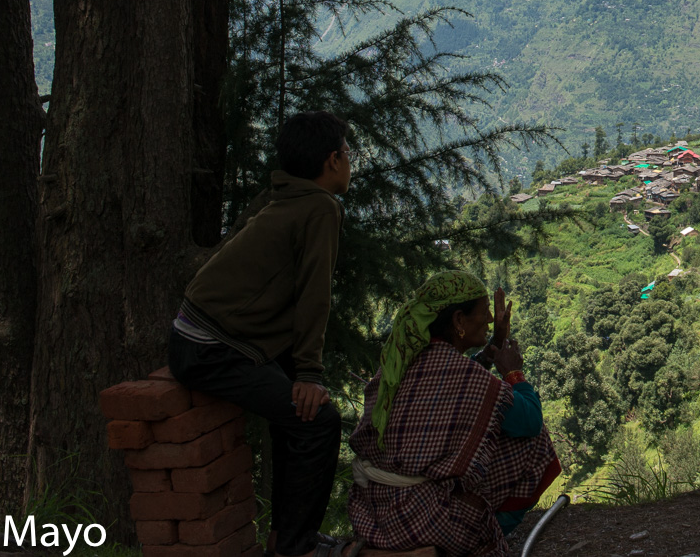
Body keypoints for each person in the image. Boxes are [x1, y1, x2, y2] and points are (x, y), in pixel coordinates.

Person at [168, 111, 351, 557]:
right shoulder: (321, 207)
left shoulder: (287, 195)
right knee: (318, 422)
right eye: (347, 154)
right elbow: (313, 295)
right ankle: (296, 546)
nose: (350, 163)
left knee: (297, 416)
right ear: (331, 160)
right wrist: (308, 373)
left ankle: (282, 538)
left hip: (199, 334)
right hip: (212, 349)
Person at [348, 271, 560, 557]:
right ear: (459, 320)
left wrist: (493, 344)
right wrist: (513, 373)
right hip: (422, 517)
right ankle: (468, 540)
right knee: (537, 444)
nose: (488, 319)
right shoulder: (464, 376)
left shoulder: (399, 363)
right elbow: (530, 420)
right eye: (485, 312)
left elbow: (459, 380)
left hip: (373, 510)